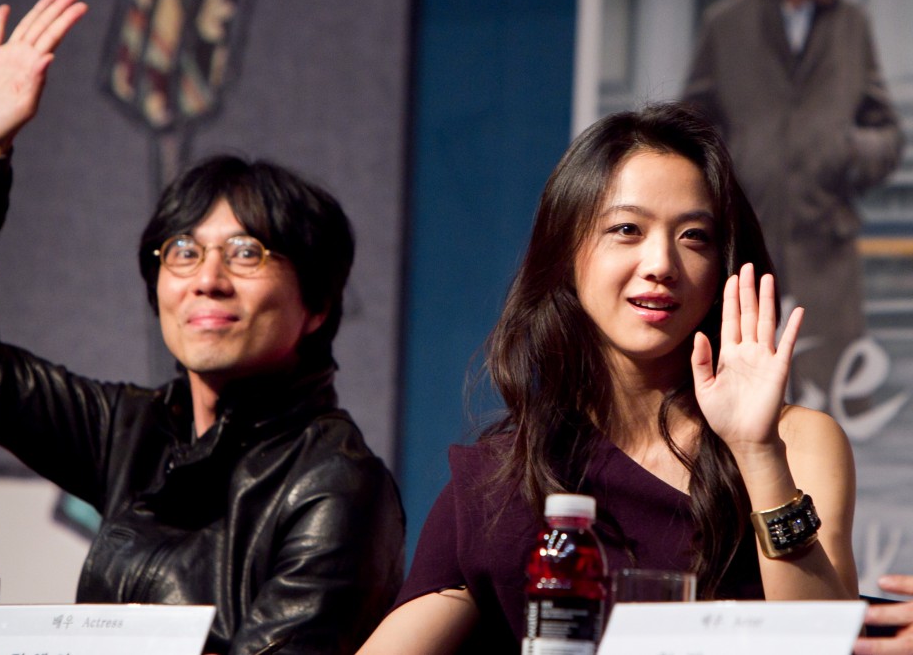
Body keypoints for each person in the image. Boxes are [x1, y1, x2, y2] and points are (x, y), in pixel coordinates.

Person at [0, 0, 405, 655]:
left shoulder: (336, 484)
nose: (207, 277)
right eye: (183, 251)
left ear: (318, 306)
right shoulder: (133, 433)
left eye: (247, 252)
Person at [357, 103, 858, 654]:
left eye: (694, 236)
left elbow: (822, 643)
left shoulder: (796, 442)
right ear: (567, 252)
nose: (661, 262)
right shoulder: (502, 482)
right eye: (626, 229)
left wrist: (757, 452)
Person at [681, 0, 904, 412]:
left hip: (826, 250)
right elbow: (691, 128)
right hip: (745, 247)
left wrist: (849, 151)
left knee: (830, 411)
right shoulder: (727, 24)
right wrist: (730, 178)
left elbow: (887, 133)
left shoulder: (852, 24)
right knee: (739, 405)